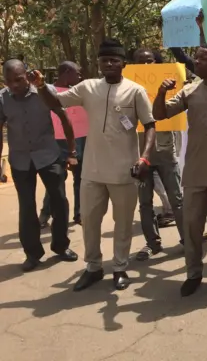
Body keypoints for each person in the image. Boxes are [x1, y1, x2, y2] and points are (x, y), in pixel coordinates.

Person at [35, 38, 156, 291]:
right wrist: (40, 86)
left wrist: (144, 157)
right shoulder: (87, 87)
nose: (109, 63)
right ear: (98, 64)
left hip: (125, 171)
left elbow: (150, 125)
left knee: (123, 222)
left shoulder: (135, 91)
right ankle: (93, 267)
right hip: (92, 170)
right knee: (90, 221)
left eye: (114, 59)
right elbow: (56, 103)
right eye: (104, 60)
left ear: (123, 63)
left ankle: (120, 268)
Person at [153, 43, 207, 297]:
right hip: (195, 172)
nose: (196, 62)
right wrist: (160, 93)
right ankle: (194, 273)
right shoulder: (190, 91)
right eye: (196, 58)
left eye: (202, 59)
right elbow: (160, 114)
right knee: (191, 225)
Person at [0, 60, 78, 272]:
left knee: (59, 201)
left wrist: (71, 153)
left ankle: (61, 247)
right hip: (20, 160)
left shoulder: (45, 91)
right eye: (8, 81)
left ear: (27, 74)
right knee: (26, 207)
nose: (14, 85)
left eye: (18, 79)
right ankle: (32, 254)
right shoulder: (2, 98)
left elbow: (65, 118)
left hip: (48, 156)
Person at [131, 48, 184, 261]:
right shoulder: (127, 87)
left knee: (177, 199)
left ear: (157, 62)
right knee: (144, 202)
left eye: (150, 61)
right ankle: (152, 242)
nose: (145, 66)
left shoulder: (170, 83)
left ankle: (187, 239)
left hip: (165, 152)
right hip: (140, 155)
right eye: (140, 62)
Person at [39, 61, 87, 227]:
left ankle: (79, 214)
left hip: (80, 140)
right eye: (77, 73)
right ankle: (45, 214)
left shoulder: (80, 91)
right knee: (56, 179)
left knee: (80, 178)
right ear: (66, 72)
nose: (80, 77)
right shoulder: (47, 92)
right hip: (56, 142)